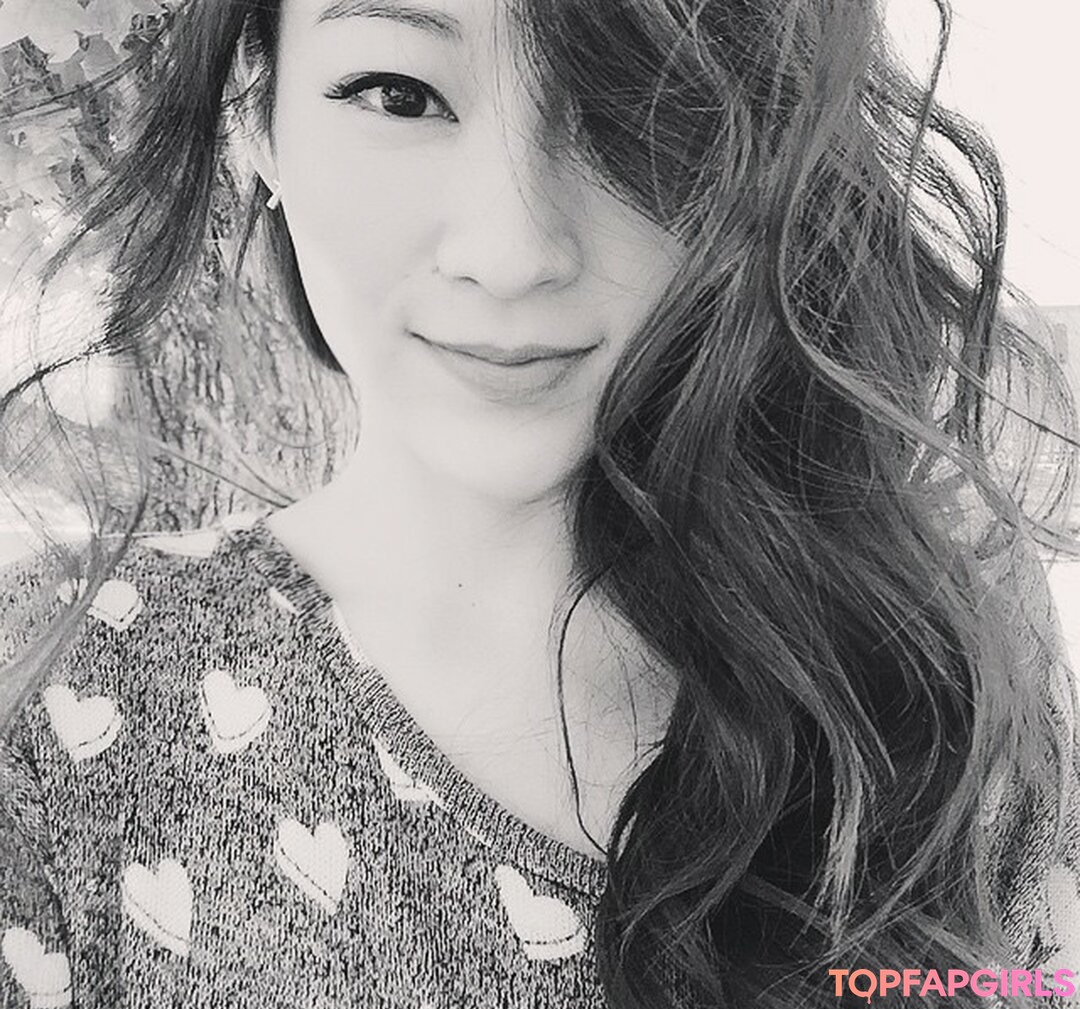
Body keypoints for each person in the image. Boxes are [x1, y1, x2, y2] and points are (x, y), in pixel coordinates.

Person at [1, 0, 1078, 1006]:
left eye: (626, 102)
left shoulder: (933, 642)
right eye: (397, 94)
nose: (512, 255)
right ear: (259, 117)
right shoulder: (56, 692)